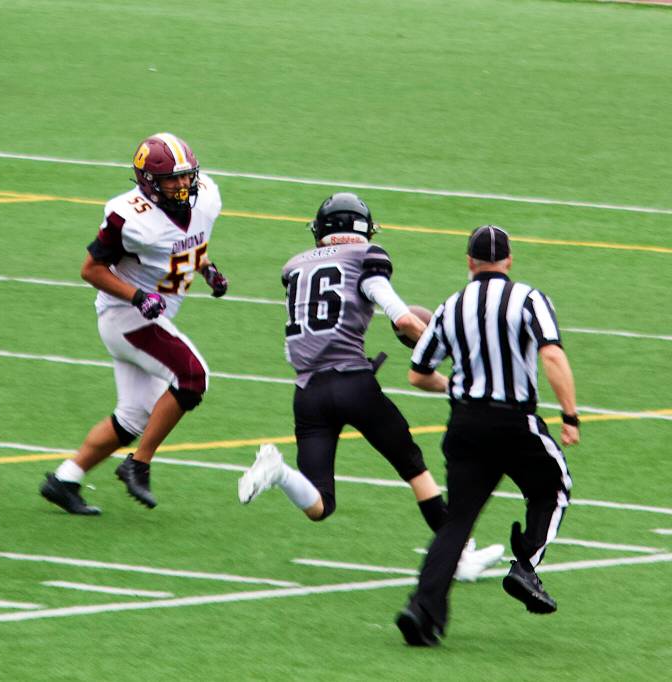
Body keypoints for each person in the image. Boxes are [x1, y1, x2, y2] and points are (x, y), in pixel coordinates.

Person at [237, 193, 503, 581]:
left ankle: (277, 472)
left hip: (308, 393)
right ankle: (459, 557)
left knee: (320, 504)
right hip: (353, 385)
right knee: (415, 468)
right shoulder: (365, 258)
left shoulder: (295, 268)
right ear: (361, 229)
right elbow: (402, 318)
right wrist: (448, 351)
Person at [395, 225, 579, 647]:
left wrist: (457, 386)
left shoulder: (451, 306)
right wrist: (570, 415)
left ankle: (422, 611)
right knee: (554, 487)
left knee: (457, 520)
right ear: (509, 261)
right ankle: (526, 565)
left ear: (469, 262)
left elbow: (417, 374)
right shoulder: (528, 299)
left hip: (465, 424)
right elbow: (551, 354)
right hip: (514, 422)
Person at [39, 132, 228, 515]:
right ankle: (138, 464)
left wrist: (208, 268)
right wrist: (138, 297)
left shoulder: (206, 195)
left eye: (185, 176)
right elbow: (90, 270)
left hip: (151, 316)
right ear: (147, 182)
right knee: (193, 377)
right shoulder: (129, 218)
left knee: (133, 416)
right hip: (127, 318)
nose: (181, 185)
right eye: (170, 179)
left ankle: (65, 479)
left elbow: (189, 243)